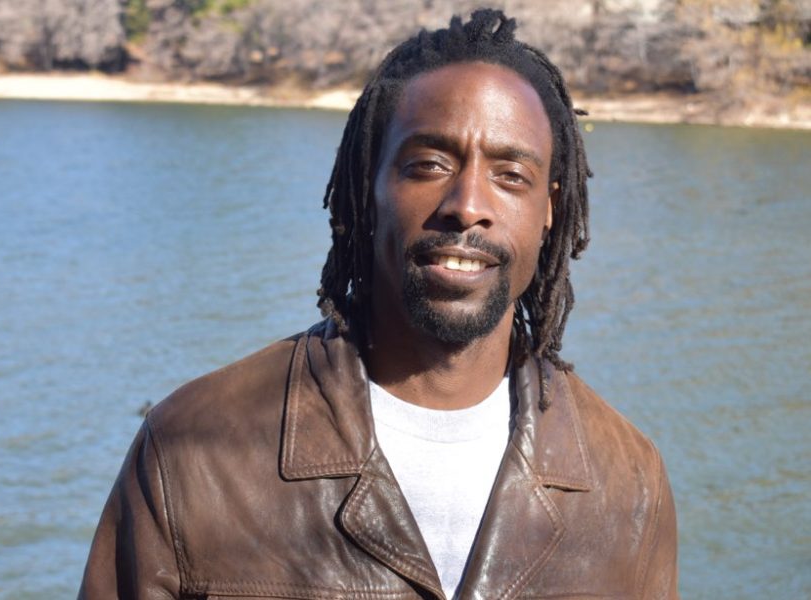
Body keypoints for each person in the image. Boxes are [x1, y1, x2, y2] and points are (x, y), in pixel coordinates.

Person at [79, 9, 678, 600]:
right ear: (369, 185)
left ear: (549, 209)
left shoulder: (629, 483)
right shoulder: (192, 450)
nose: (468, 205)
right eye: (429, 165)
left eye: (510, 175)